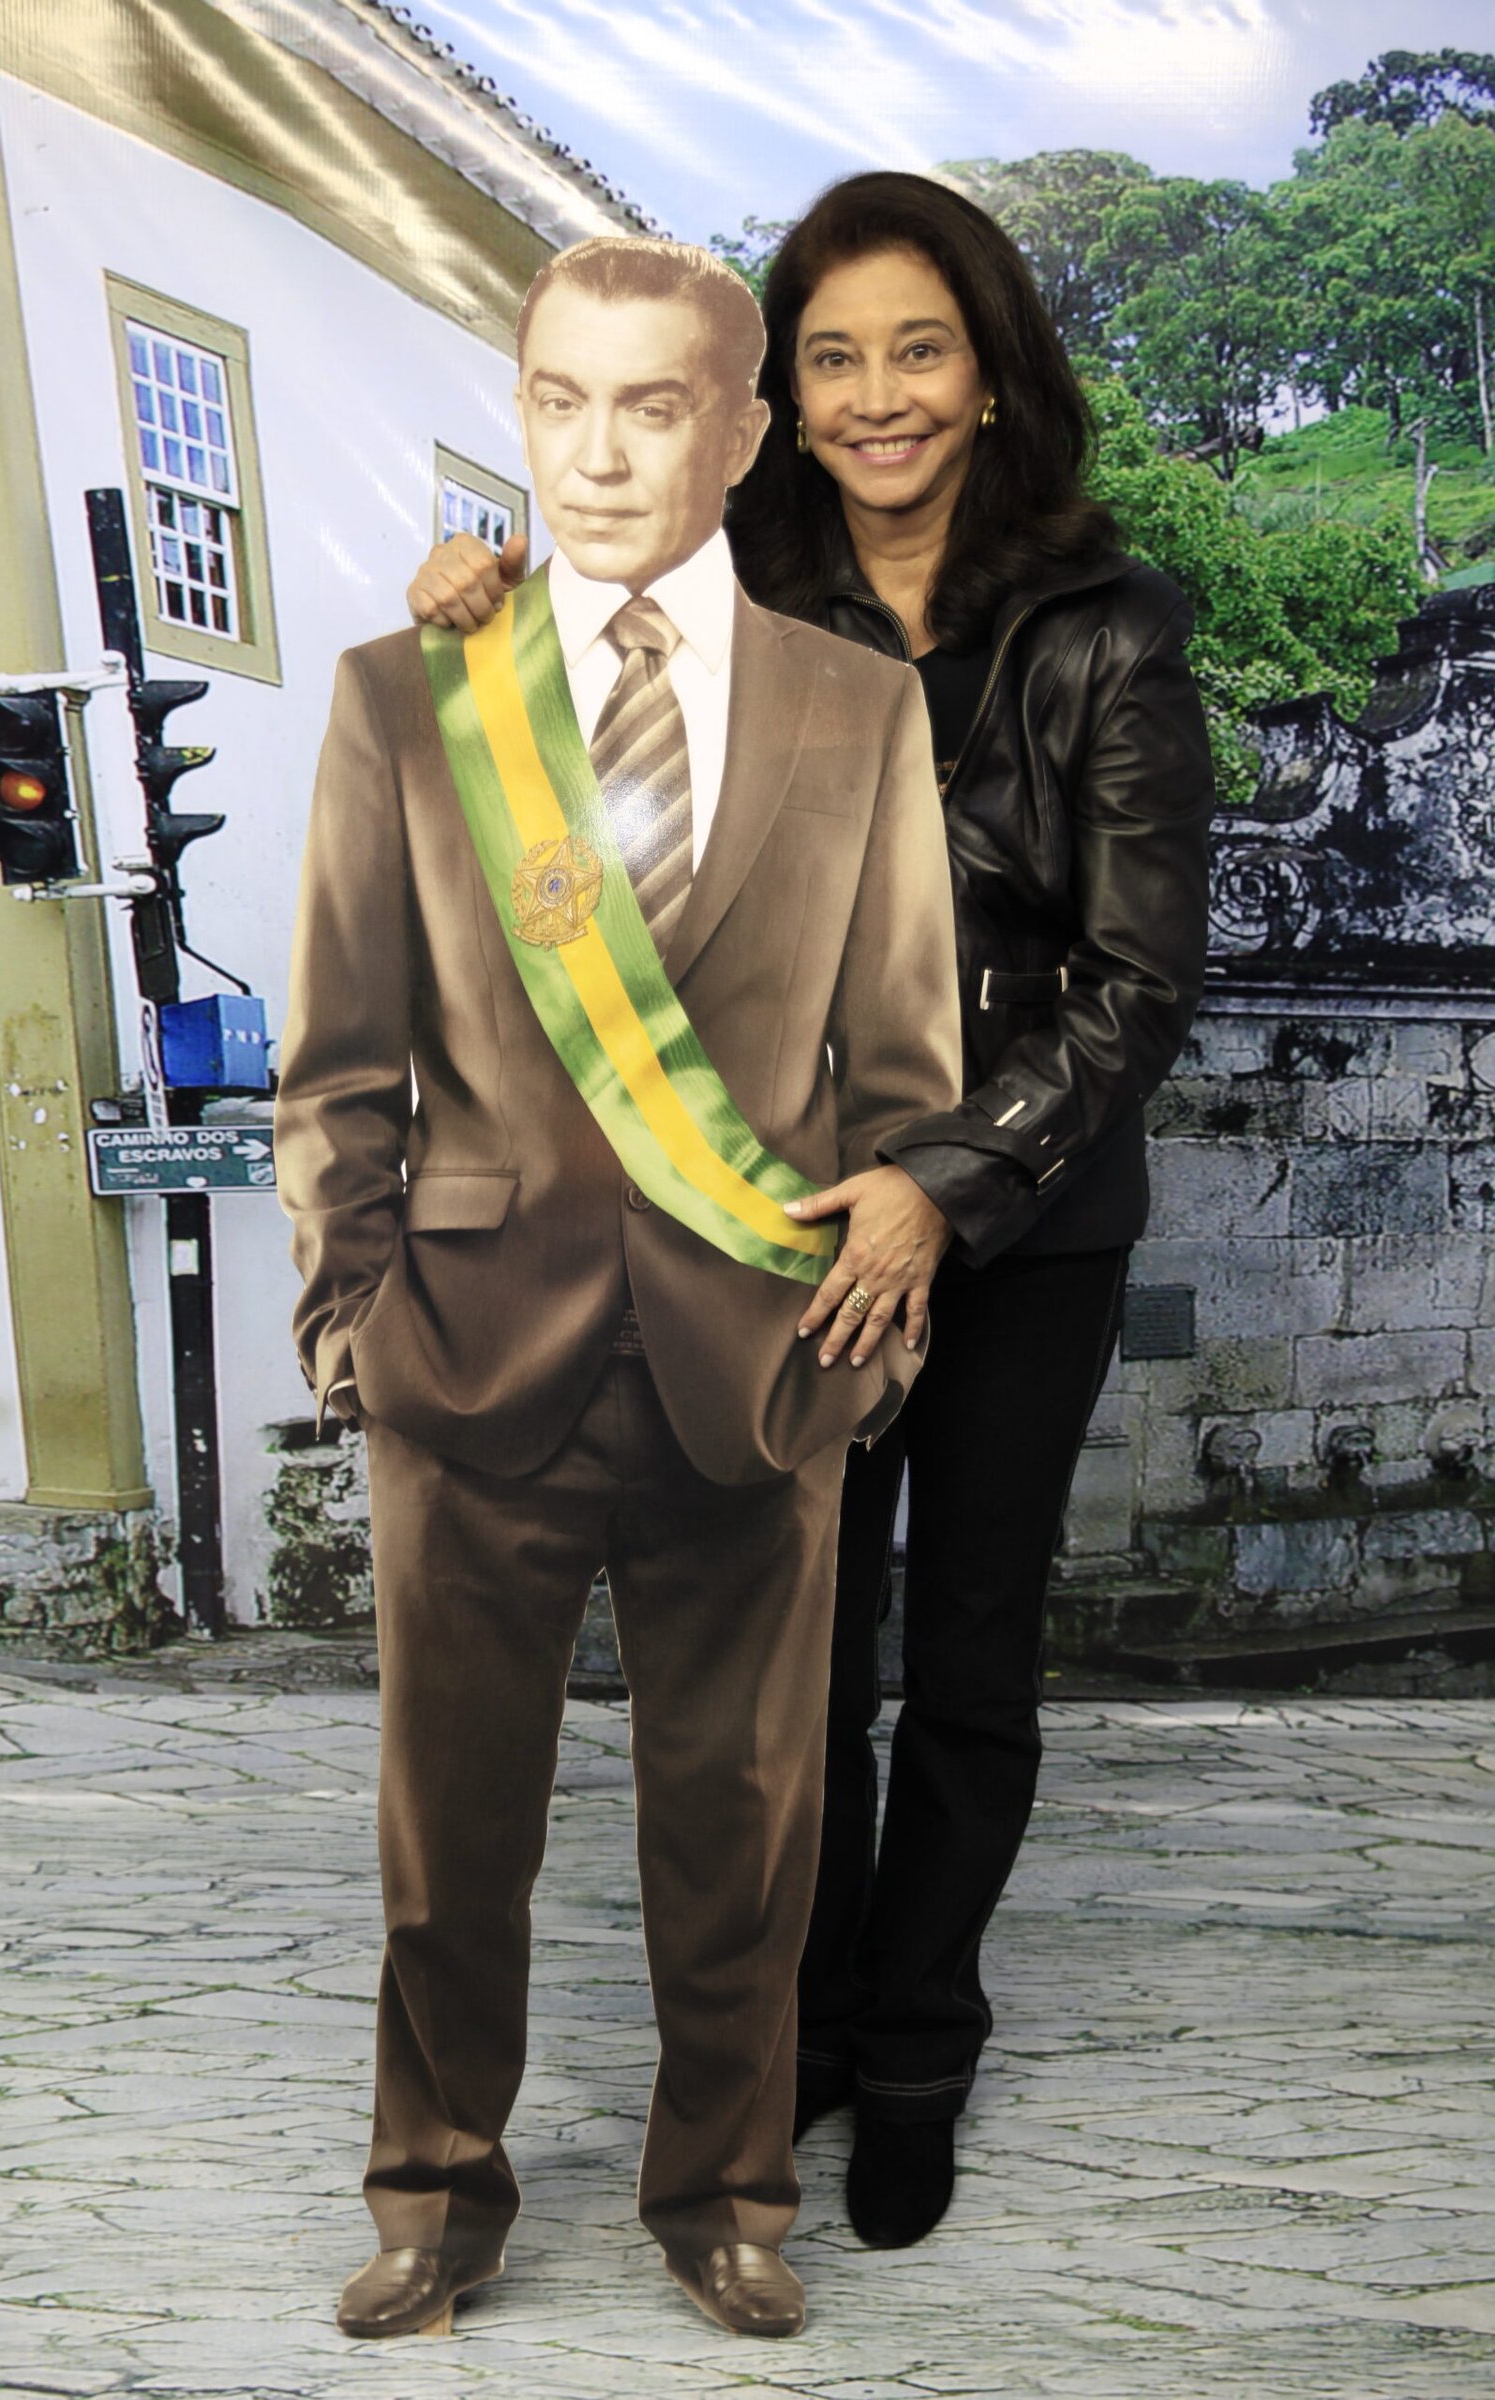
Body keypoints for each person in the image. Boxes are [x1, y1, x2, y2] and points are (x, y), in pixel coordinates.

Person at [407, 172, 1214, 2255]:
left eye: (918, 350)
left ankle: (920, 2037)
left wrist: (944, 1184)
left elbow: (1136, 982)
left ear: (989, 373)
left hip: (1021, 1224)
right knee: (793, 1661)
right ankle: (808, 2028)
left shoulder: (1106, 627)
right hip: (765, 1211)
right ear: (780, 398)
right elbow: (571, 772)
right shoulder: (723, 587)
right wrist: (476, 612)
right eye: (833, 357)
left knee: (970, 1655)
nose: (877, 397)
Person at [275, 233, 961, 2342]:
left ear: (741, 434)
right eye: (557, 400)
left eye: (651, 405)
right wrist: (351, 1329)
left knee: (744, 1833)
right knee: (446, 1834)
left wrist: (881, 1316)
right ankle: (431, 2196)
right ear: (519, 408)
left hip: (759, 1361)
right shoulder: (410, 697)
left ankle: (727, 2200)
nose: (593, 453)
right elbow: (338, 1061)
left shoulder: (861, 706)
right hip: (467, 1355)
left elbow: (904, 1070)